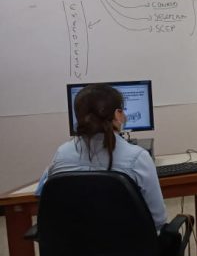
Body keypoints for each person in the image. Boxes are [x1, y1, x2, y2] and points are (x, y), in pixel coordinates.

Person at [38, 83, 167, 231]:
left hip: (72, 244)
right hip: (127, 244)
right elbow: (158, 220)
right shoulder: (137, 157)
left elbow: (43, 195)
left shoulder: (61, 154)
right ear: (118, 115)